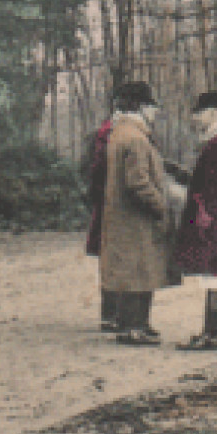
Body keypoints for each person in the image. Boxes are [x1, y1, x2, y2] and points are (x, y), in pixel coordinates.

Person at [100, 81, 175, 346]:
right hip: (136, 219)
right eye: (152, 106)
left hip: (123, 218)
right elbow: (138, 183)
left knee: (136, 271)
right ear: (141, 108)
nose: (155, 112)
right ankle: (133, 328)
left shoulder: (120, 134)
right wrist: (161, 205)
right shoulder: (135, 138)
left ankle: (136, 324)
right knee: (138, 272)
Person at [174, 92, 217, 351]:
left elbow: (211, 183)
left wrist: (202, 212)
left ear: (213, 113)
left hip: (214, 211)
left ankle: (213, 333)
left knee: (214, 270)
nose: (195, 118)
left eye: (199, 113)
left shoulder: (216, 142)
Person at [84, 97, 119, 332]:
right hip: (110, 203)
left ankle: (111, 313)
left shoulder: (105, 132)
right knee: (113, 256)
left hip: (105, 202)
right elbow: (97, 170)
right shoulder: (108, 133)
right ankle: (111, 314)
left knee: (111, 256)